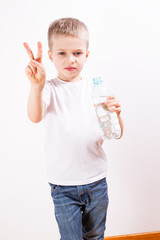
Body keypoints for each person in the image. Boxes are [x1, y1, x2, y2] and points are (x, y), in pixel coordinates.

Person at [23, 17, 123, 240]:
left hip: (96, 182)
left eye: (77, 53)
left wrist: (117, 115)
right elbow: (34, 116)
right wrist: (36, 86)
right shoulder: (48, 89)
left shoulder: (96, 90)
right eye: (62, 53)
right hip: (63, 186)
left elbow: (115, 132)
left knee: (95, 235)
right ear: (51, 56)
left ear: (86, 54)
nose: (71, 59)